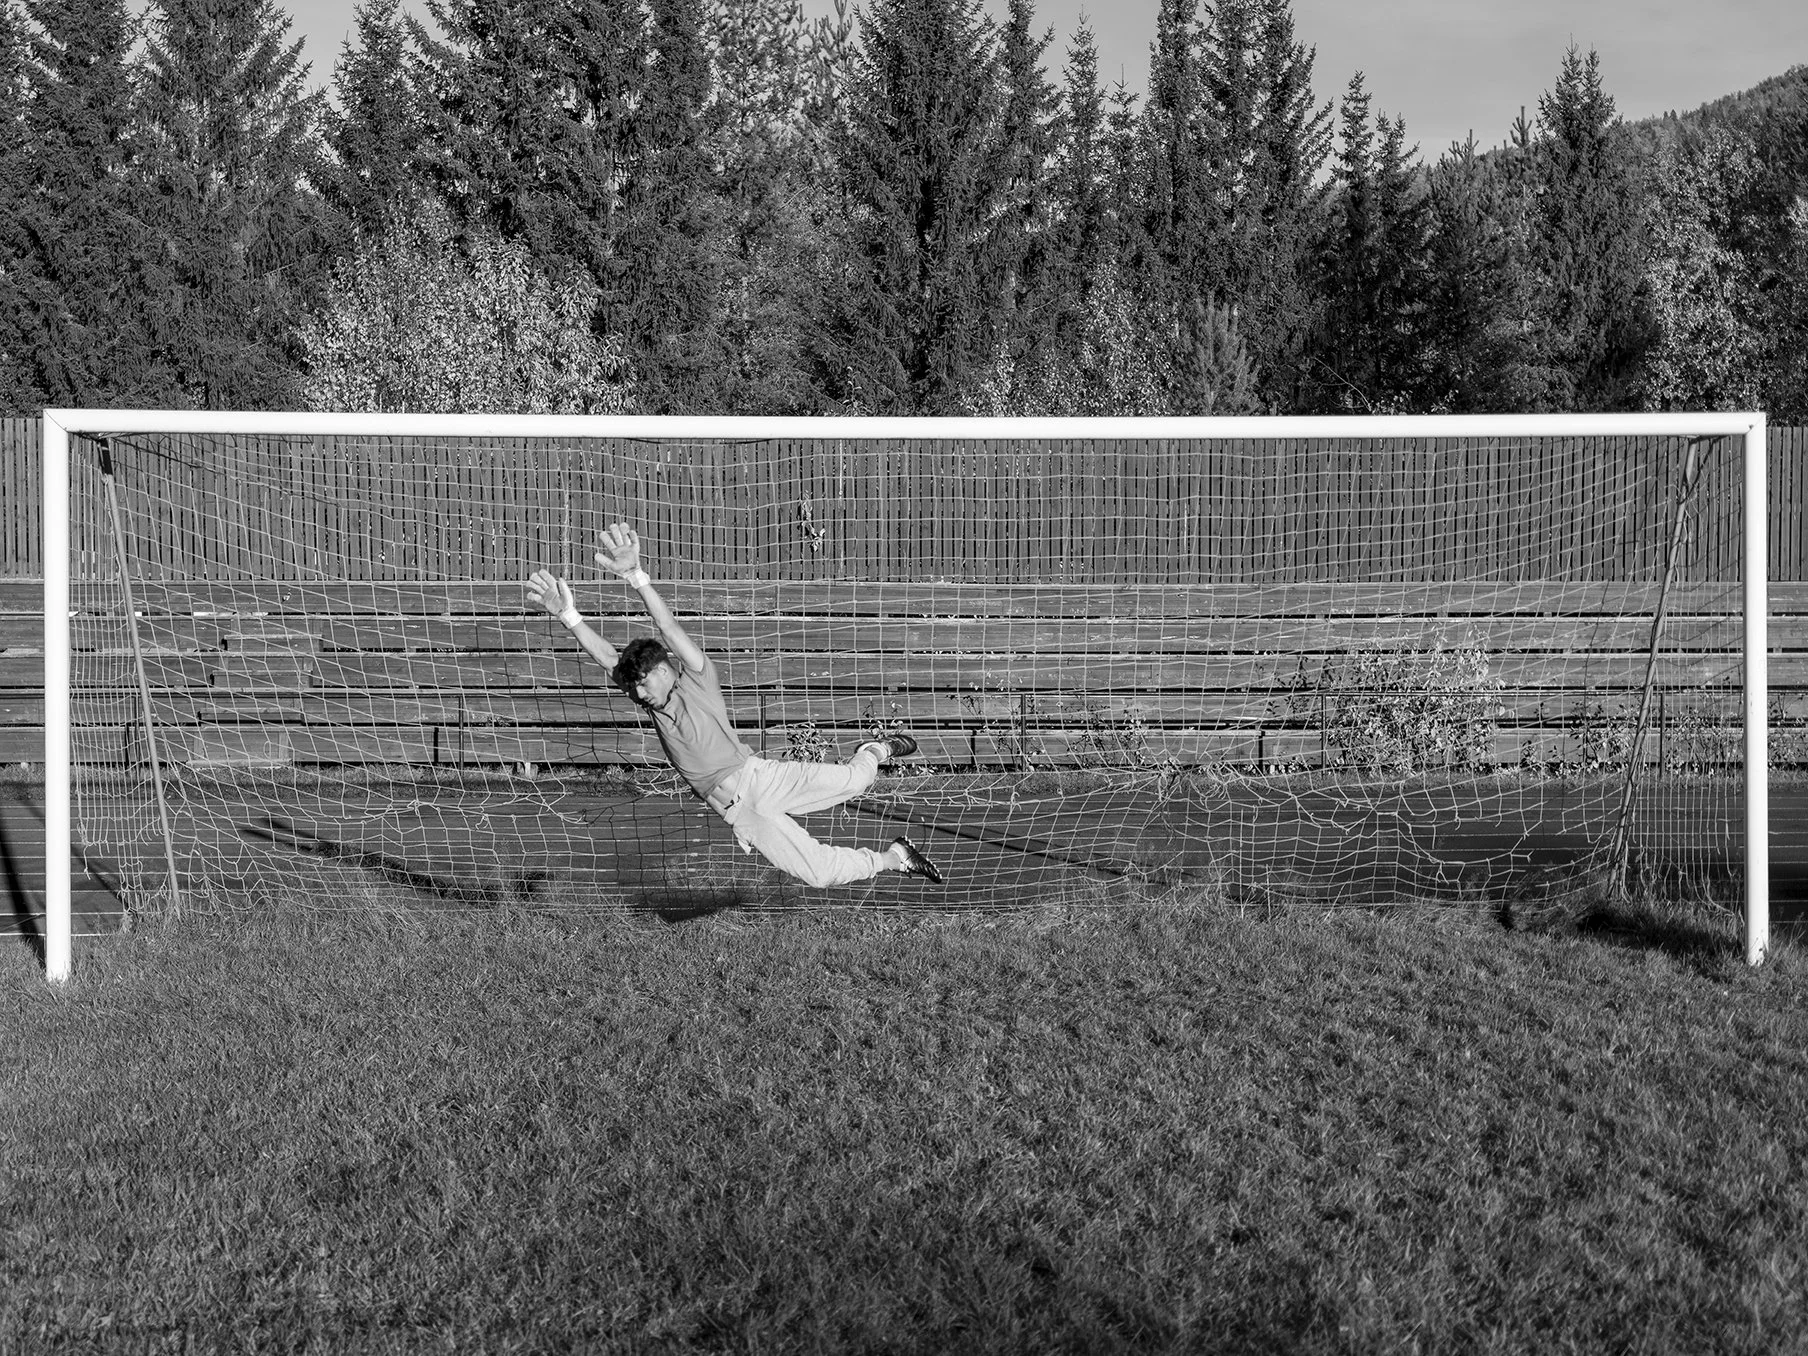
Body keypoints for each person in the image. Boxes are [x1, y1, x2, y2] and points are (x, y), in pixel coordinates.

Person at [525, 522, 944, 889]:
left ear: (664, 670)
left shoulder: (696, 679)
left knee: (856, 780)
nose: (638, 692)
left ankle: (875, 749)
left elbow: (667, 627)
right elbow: (608, 658)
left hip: (759, 779)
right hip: (738, 811)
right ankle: (895, 858)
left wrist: (636, 576)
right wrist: (568, 615)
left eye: (644, 683)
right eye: (634, 687)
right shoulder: (650, 703)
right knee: (818, 873)